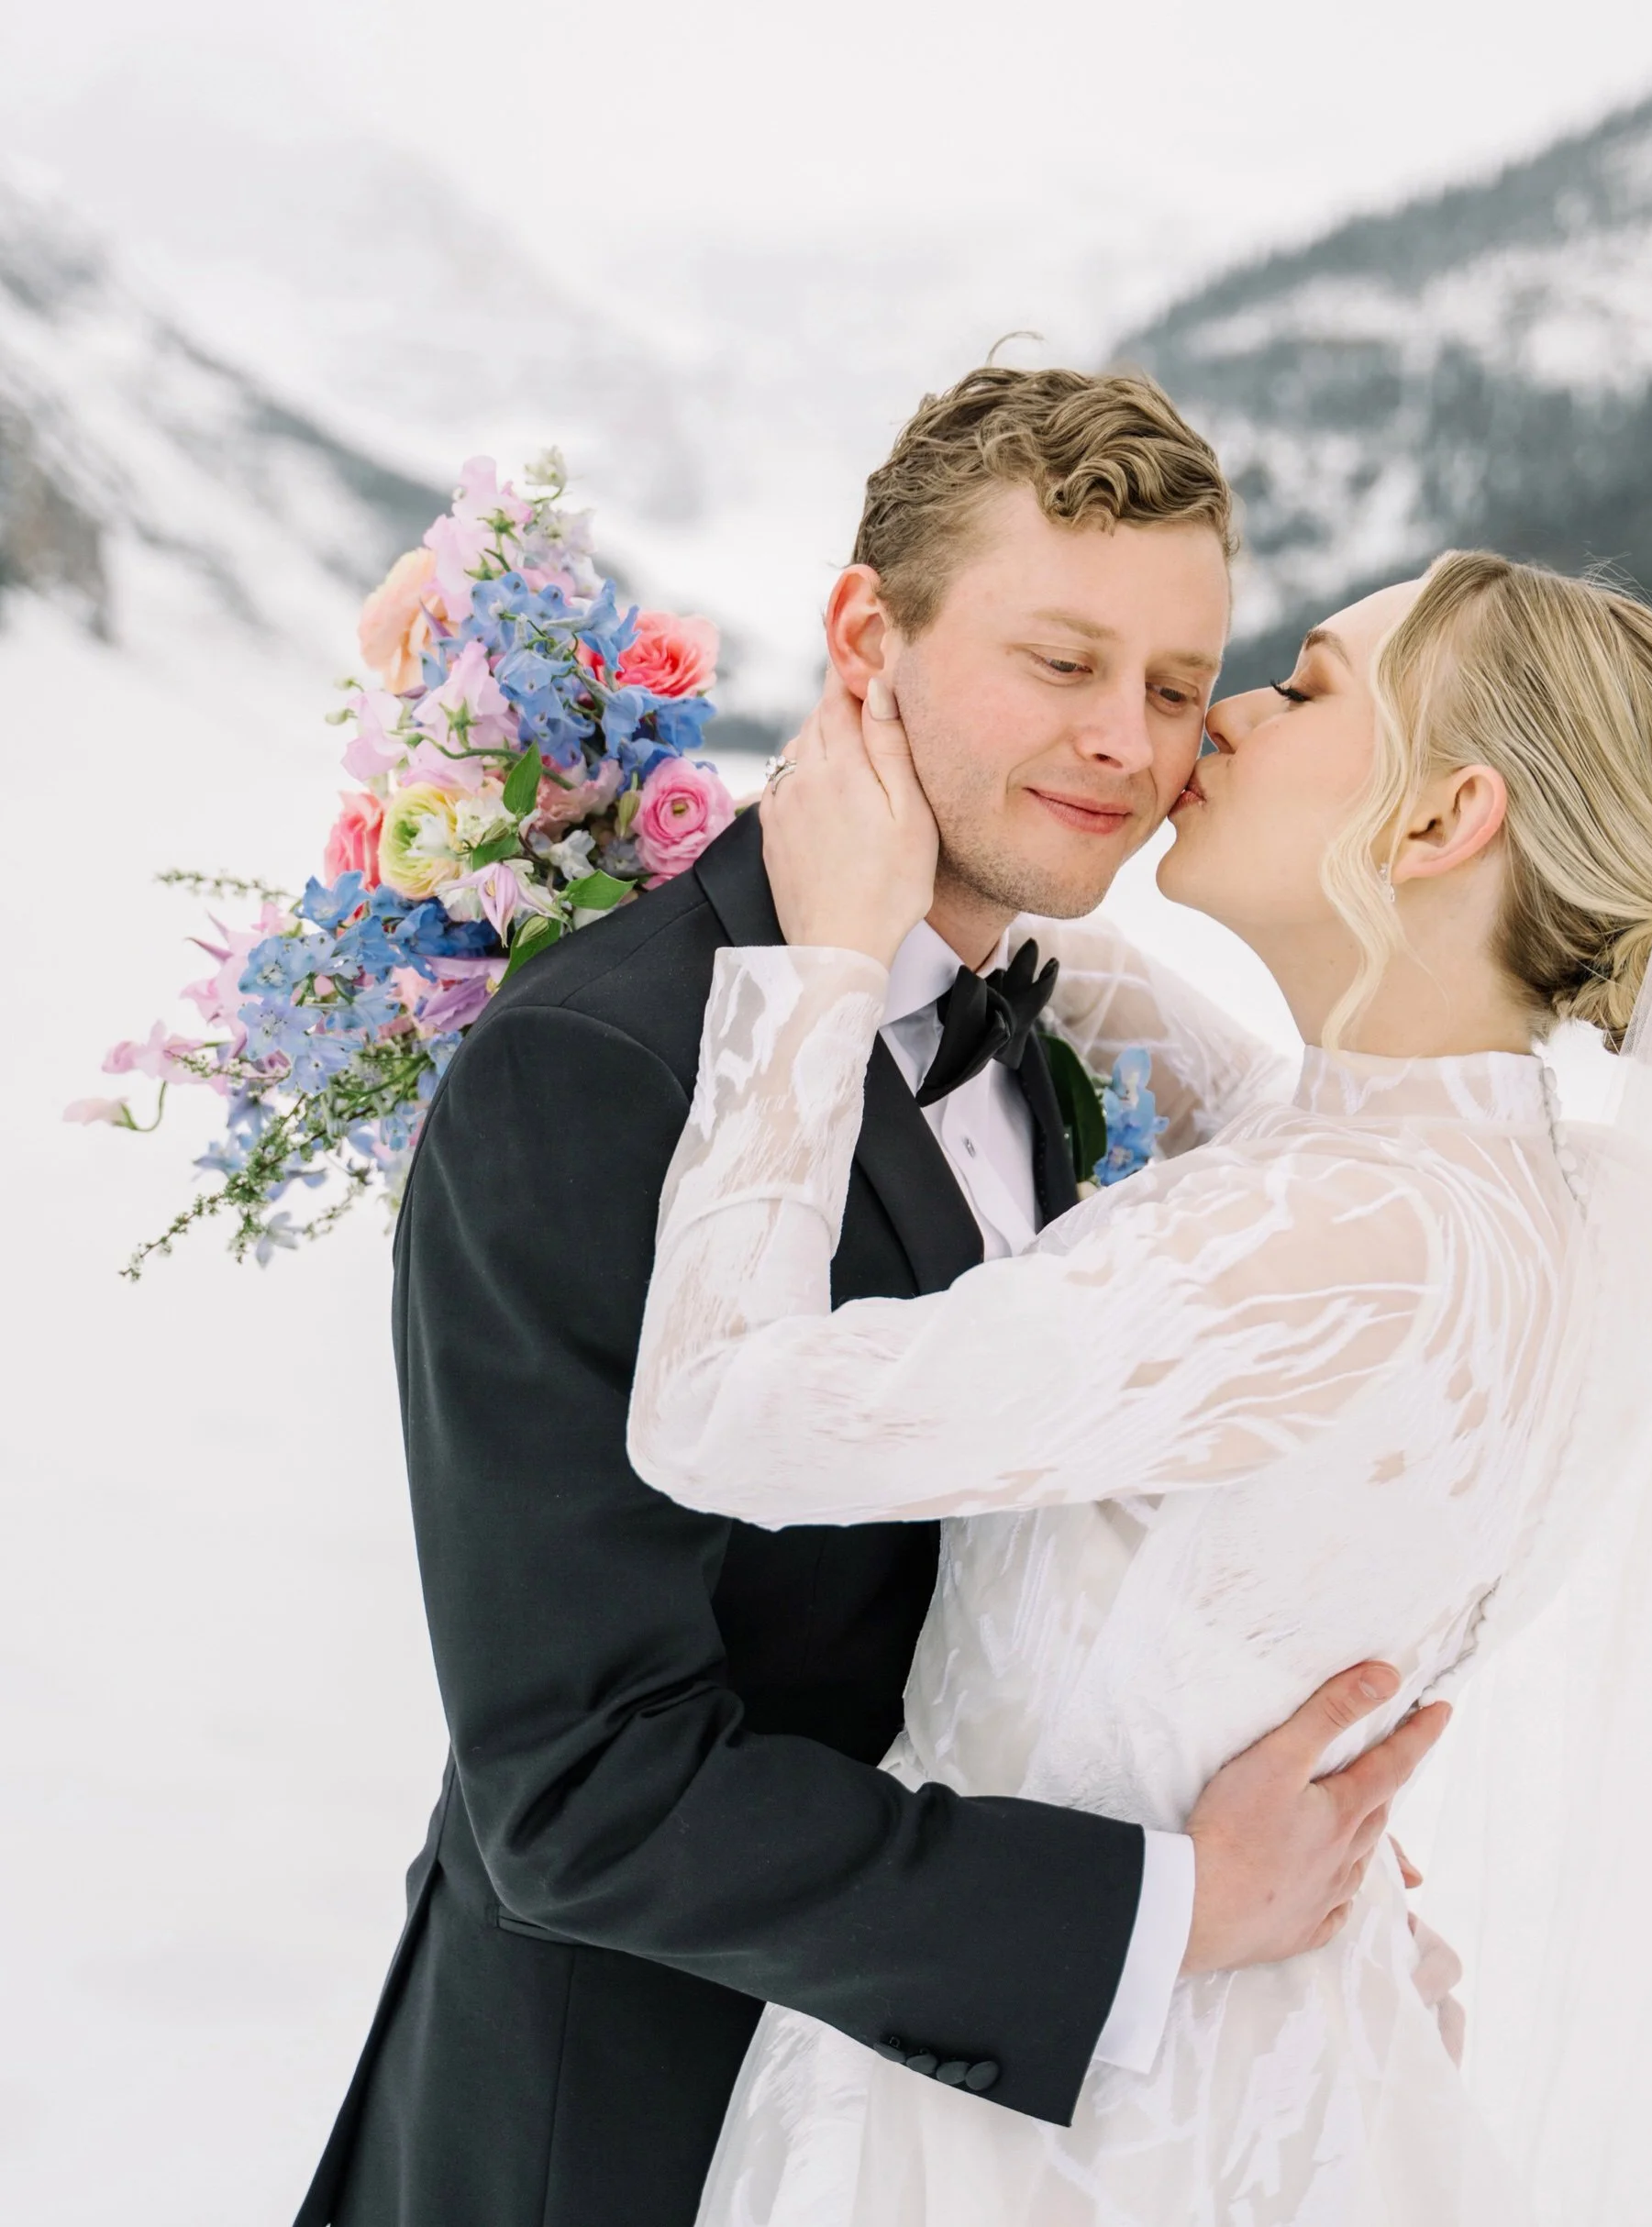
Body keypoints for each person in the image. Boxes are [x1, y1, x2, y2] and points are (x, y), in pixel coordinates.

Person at [294, 369, 1452, 2227]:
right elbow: (584, 1786)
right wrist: (1170, 1908)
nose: (1124, 743)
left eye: (1171, 685)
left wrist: (1306, 1933)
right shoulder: (596, 1069)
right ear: (865, 634)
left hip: (978, 2135)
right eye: (1058, 660)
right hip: (630, 2127)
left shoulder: (1084, 1021)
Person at [626, 548, 1652, 2222]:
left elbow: (719, 1413)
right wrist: (969, 865)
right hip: (1275, 2066)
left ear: (1443, 822)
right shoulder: (1583, 1211)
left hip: (1037, 2116)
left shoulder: (1336, 1235)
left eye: (1300, 689)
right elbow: (1231, 1106)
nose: (1218, 718)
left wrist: (820, 969)